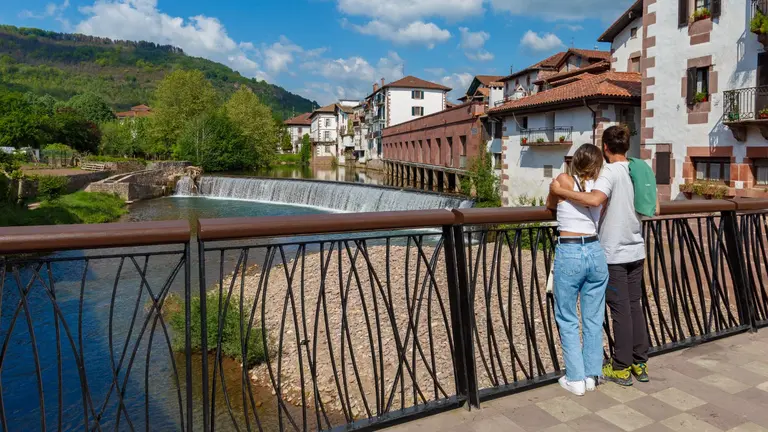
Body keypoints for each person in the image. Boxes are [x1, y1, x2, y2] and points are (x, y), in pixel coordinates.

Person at [550, 125, 649, 386]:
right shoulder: (638, 169)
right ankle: (633, 364)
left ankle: (609, 370)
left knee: (605, 312)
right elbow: (654, 206)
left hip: (605, 249)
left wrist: (560, 192)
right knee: (627, 308)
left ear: (606, 147)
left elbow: (593, 200)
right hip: (632, 246)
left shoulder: (607, 173)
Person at [546, 144, 609, 396]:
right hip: (595, 251)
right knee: (593, 318)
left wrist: (560, 191)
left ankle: (575, 379)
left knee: (567, 316)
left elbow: (550, 202)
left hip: (570, 250)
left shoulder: (563, 179)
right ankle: (591, 376)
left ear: (574, 161)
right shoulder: (600, 186)